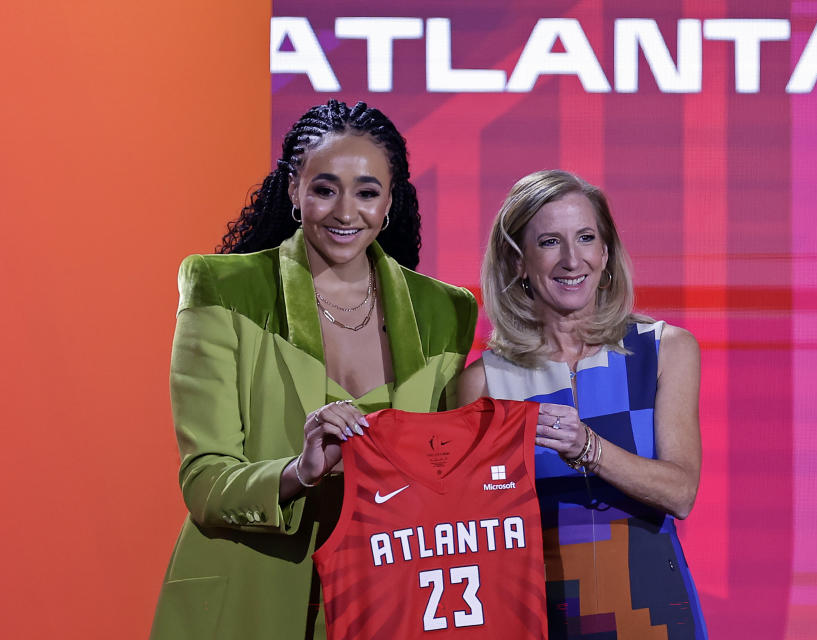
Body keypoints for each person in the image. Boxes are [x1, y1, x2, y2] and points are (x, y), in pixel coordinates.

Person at [151, 100, 477, 639]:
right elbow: (204, 481)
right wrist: (298, 472)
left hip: (385, 606)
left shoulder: (446, 311)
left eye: (367, 192)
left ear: (391, 201)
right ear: (293, 192)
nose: (346, 212)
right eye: (325, 189)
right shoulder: (222, 288)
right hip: (248, 600)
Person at [458, 170, 707, 638]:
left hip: (655, 614)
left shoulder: (665, 350)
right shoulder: (486, 382)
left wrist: (588, 447)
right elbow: (477, 531)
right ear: (518, 262)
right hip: (540, 620)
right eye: (550, 241)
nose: (572, 260)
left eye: (586, 238)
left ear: (606, 253)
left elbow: (680, 492)